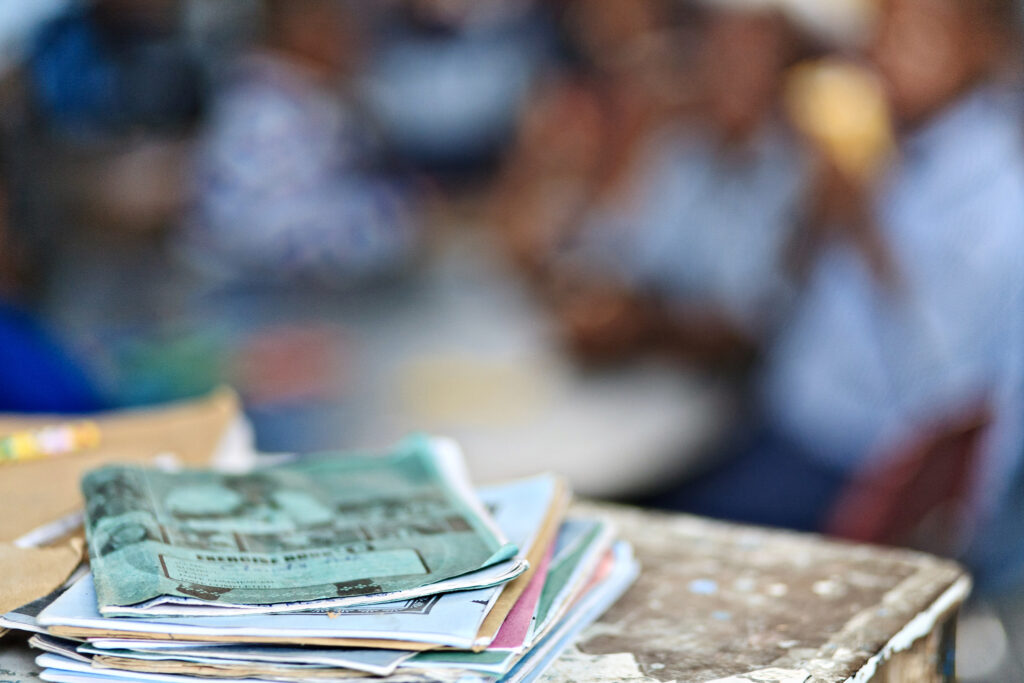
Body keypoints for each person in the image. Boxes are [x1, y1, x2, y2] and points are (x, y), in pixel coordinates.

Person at [656, 0, 1024, 575]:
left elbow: (945, 391)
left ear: (983, 46)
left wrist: (863, 222)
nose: (881, 57)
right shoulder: (895, 144)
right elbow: (780, 297)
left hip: (853, 468)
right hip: (783, 420)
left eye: (917, 36)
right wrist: (818, 212)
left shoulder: (993, 198)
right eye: (880, 35)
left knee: (657, 536)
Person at [549, 6, 810, 369]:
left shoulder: (795, 176)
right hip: (641, 372)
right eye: (723, 58)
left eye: (751, 62)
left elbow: (741, 327)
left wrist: (640, 323)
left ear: (782, 78)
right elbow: (614, 247)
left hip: (721, 395)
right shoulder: (680, 147)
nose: (733, 76)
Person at [183, 0, 421, 288]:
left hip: (316, 301)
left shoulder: (323, 99)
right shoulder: (264, 115)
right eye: (336, 21)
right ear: (303, 30)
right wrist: (397, 227)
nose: (353, 35)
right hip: (253, 302)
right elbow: (265, 238)